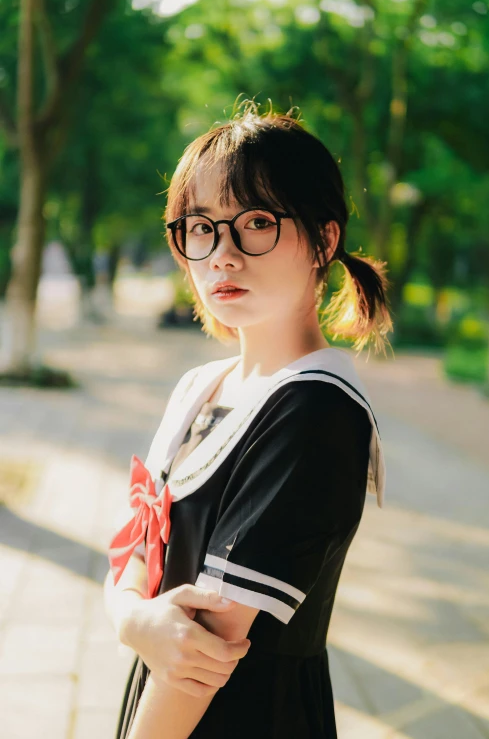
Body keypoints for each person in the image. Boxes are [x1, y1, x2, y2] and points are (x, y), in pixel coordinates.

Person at [104, 100, 393, 739]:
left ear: (324, 239)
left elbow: (207, 653)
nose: (222, 255)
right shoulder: (198, 387)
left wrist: (139, 622)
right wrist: (130, 618)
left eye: (256, 222)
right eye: (200, 226)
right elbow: (136, 548)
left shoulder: (316, 409)